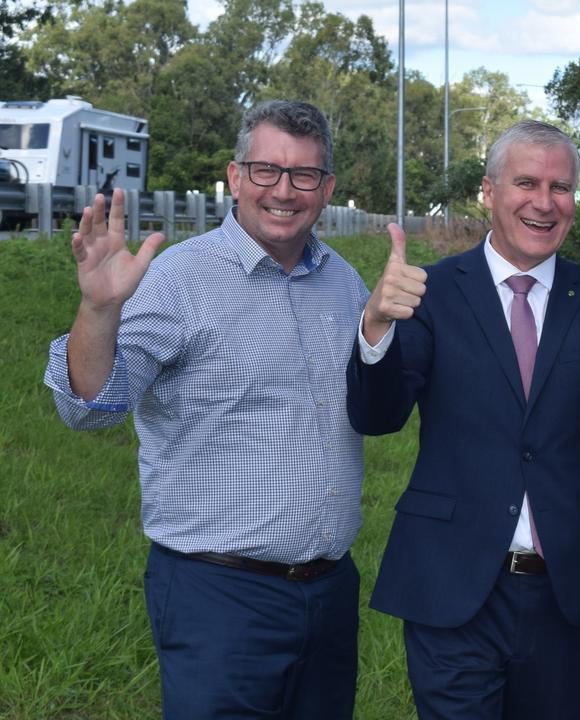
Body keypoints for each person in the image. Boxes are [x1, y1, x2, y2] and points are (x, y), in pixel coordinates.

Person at [43, 100, 369, 718]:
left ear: (326, 188)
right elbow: (92, 409)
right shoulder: (179, 278)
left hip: (328, 594)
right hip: (218, 595)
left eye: (304, 175)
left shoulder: (344, 283)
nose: (284, 191)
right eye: (266, 170)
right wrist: (99, 310)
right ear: (235, 176)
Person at [346, 119, 580, 719]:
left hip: (564, 590)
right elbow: (378, 415)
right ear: (489, 191)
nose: (544, 203)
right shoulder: (432, 292)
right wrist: (376, 328)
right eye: (526, 182)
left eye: (560, 187)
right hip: (452, 585)